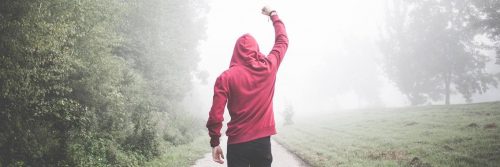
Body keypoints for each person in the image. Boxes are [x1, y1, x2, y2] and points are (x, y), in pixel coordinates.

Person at [206, 6, 288, 167]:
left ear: (235, 51)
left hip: (237, 144)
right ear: (256, 49)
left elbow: (216, 114)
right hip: (262, 143)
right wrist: (273, 15)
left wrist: (215, 142)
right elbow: (282, 41)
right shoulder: (268, 67)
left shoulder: (226, 77)